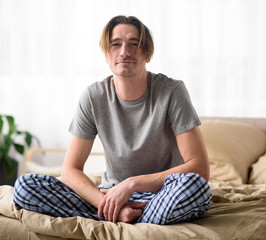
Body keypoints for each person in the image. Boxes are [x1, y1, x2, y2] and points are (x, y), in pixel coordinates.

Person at [13, 15, 212, 225]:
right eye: (116, 44)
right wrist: (108, 204)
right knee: (25, 186)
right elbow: (70, 170)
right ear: (107, 54)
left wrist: (131, 184)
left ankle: (130, 218)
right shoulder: (93, 97)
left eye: (133, 44)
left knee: (196, 187)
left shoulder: (172, 91)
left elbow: (199, 167)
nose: (124, 52)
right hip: (109, 198)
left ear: (146, 52)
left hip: (162, 195)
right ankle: (127, 218)